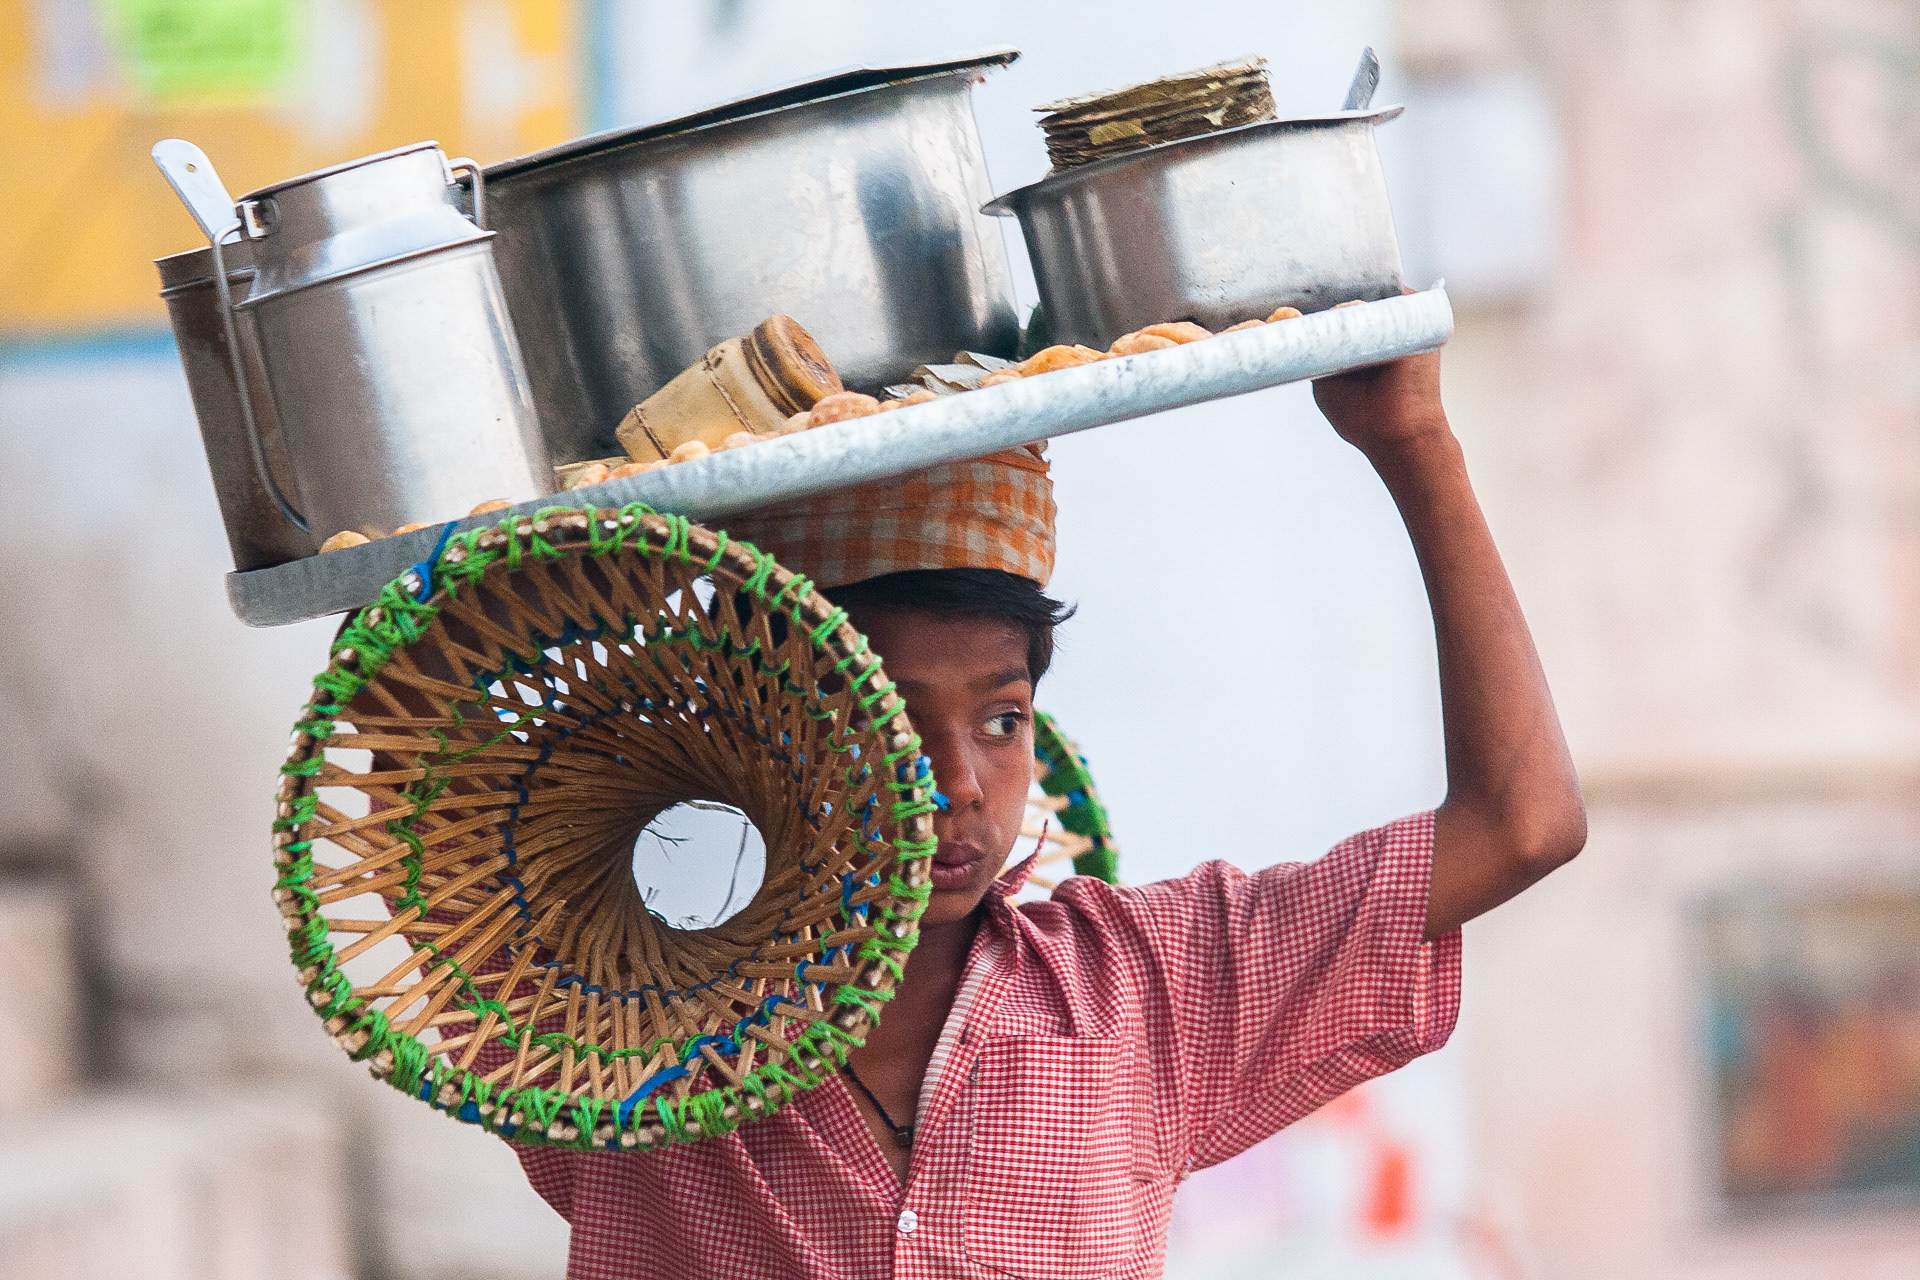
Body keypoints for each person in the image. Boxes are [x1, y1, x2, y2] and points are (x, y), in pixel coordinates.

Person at [509, 345, 1586, 1279]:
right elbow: (447, 777)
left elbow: (1522, 823)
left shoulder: (1148, 989)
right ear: (760, 730)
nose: (956, 782)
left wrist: (1413, 439)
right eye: (882, 713)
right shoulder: (622, 1028)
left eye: (1002, 718)